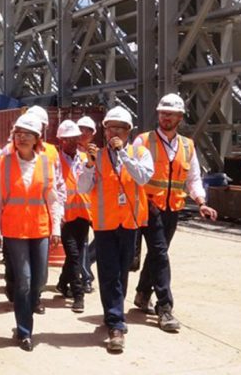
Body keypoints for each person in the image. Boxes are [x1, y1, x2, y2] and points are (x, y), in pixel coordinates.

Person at [132, 93, 218, 331]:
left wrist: (201, 202)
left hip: (173, 209)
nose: (165, 117)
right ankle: (165, 307)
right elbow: (131, 173)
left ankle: (141, 294)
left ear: (180, 117)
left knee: (158, 253)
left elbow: (193, 178)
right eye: (162, 113)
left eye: (170, 114)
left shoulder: (187, 146)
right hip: (149, 207)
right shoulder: (143, 141)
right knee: (160, 254)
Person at [78, 106, 153, 352]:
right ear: (105, 130)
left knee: (122, 273)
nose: (114, 133)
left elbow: (142, 178)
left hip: (129, 223)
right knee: (109, 274)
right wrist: (89, 165)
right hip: (104, 224)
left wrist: (124, 155)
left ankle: (114, 313)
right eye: (111, 128)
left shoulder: (140, 152)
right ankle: (116, 324)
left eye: (120, 128)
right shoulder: (96, 156)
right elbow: (83, 187)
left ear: (129, 131)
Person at [0, 113, 62, 352]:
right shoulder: (5, 162)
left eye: (27, 135)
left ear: (36, 139)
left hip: (40, 228)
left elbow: (53, 199)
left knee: (39, 280)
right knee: (23, 281)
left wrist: (56, 228)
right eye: (18, 134)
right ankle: (24, 331)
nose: (21, 138)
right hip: (14, 230)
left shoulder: (45, 161)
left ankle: (28, 314)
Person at [54, 120, 92, 313]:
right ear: (60, 140)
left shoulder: (85, 158)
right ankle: (78, 294)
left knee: (73, 256)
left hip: (84, 213)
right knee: (74, 255)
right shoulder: (55, 160)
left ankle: (62, 283)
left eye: (75, 138)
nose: (72, 142)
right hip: (65, 215)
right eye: (67, 139)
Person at [76, 116, 97, 293]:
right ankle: (86, 277)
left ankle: (86, 263)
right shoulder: (70, 153)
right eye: (80, 129)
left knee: (102, 241)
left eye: (87, 130)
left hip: (96, 206)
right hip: (78, 206)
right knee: (82, 243)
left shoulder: (97, 154)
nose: (83, 133)